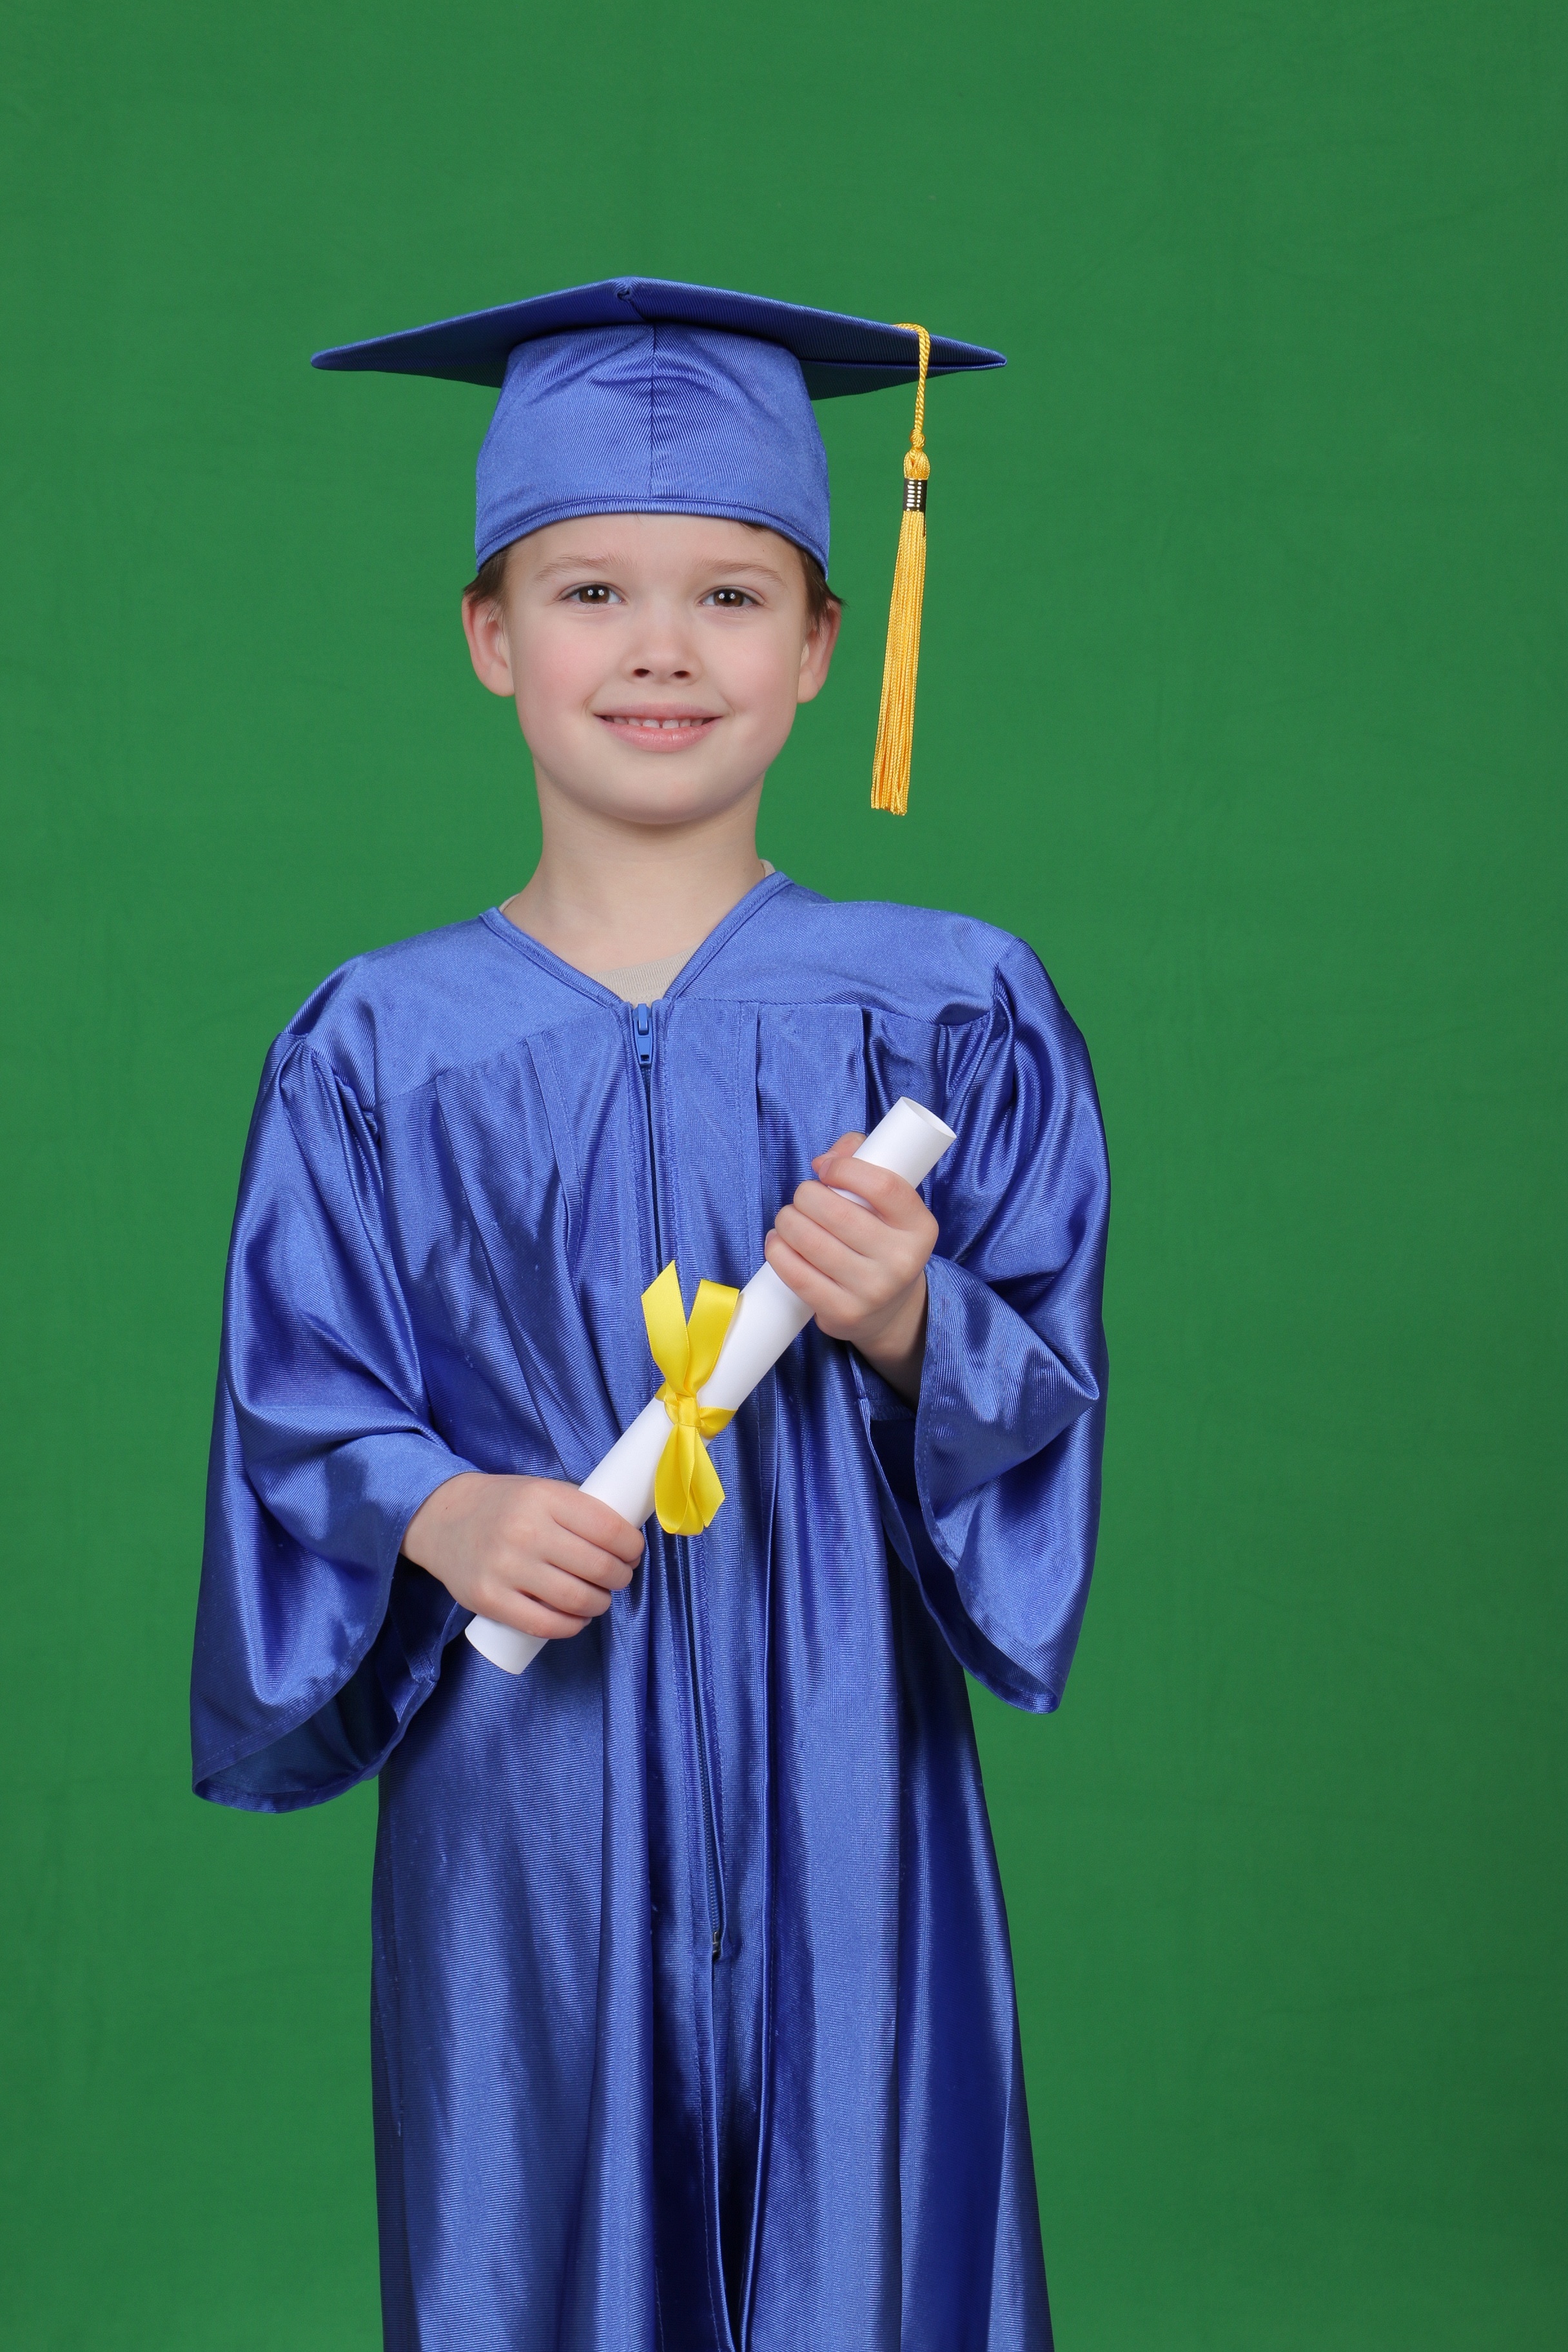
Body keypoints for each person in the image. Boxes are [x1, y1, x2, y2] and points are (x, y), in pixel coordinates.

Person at [191, 277, 1110, 2352]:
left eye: (731, 596)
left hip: (846, 1753)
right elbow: (296, 1392)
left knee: (860, 2228)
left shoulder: (950, 1009)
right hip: (528, 1789)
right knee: (532, 2234)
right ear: (491, 636)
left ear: (823, 647)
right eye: (591, 590)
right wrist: (441, 1512)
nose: (662, 649)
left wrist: (914, 1326)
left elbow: (1042, 1378)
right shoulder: (376, 1044)